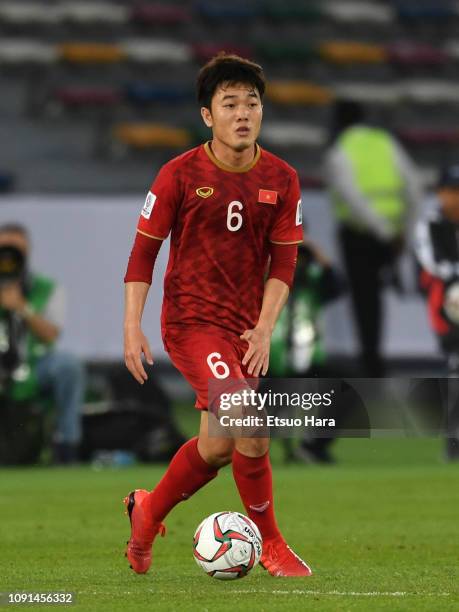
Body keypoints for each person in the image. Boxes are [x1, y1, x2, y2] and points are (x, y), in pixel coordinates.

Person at [123, 53, 311, 577]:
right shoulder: (179, 174)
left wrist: (266, 327)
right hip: (190, 323)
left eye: (252, 103)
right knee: (250, 423)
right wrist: (131, 326)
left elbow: (285, 260)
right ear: (208, 115)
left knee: (218, 446)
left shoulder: (282, 177)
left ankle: (147, 514)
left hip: (245, 329)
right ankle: (272, 544)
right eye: (230, 104)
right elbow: (143, 254)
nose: (243, 113)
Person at [325, 100, 423, 376]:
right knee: (377, 299)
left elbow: (352, 197)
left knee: (364, 299)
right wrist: (403, 229)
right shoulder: (384, 142)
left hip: (360, 236)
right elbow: (414, 186)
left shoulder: (339, 150)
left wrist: (382, 230)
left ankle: (372, 362)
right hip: (391, 234)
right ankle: (374, 360)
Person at [0, 223, 85, 463]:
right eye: (5, 249)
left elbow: (51, 335)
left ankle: (67, 445)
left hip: (34, 364)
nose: (9, 257)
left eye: (16, 250)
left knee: (68, 365)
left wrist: (22, 308)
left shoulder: (47, 287)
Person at [414, 164, 459, 461]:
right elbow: (432, 263)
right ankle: (454, 442)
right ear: (441, 193)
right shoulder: (430, 224)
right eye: (452, 191)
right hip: (447, 305)